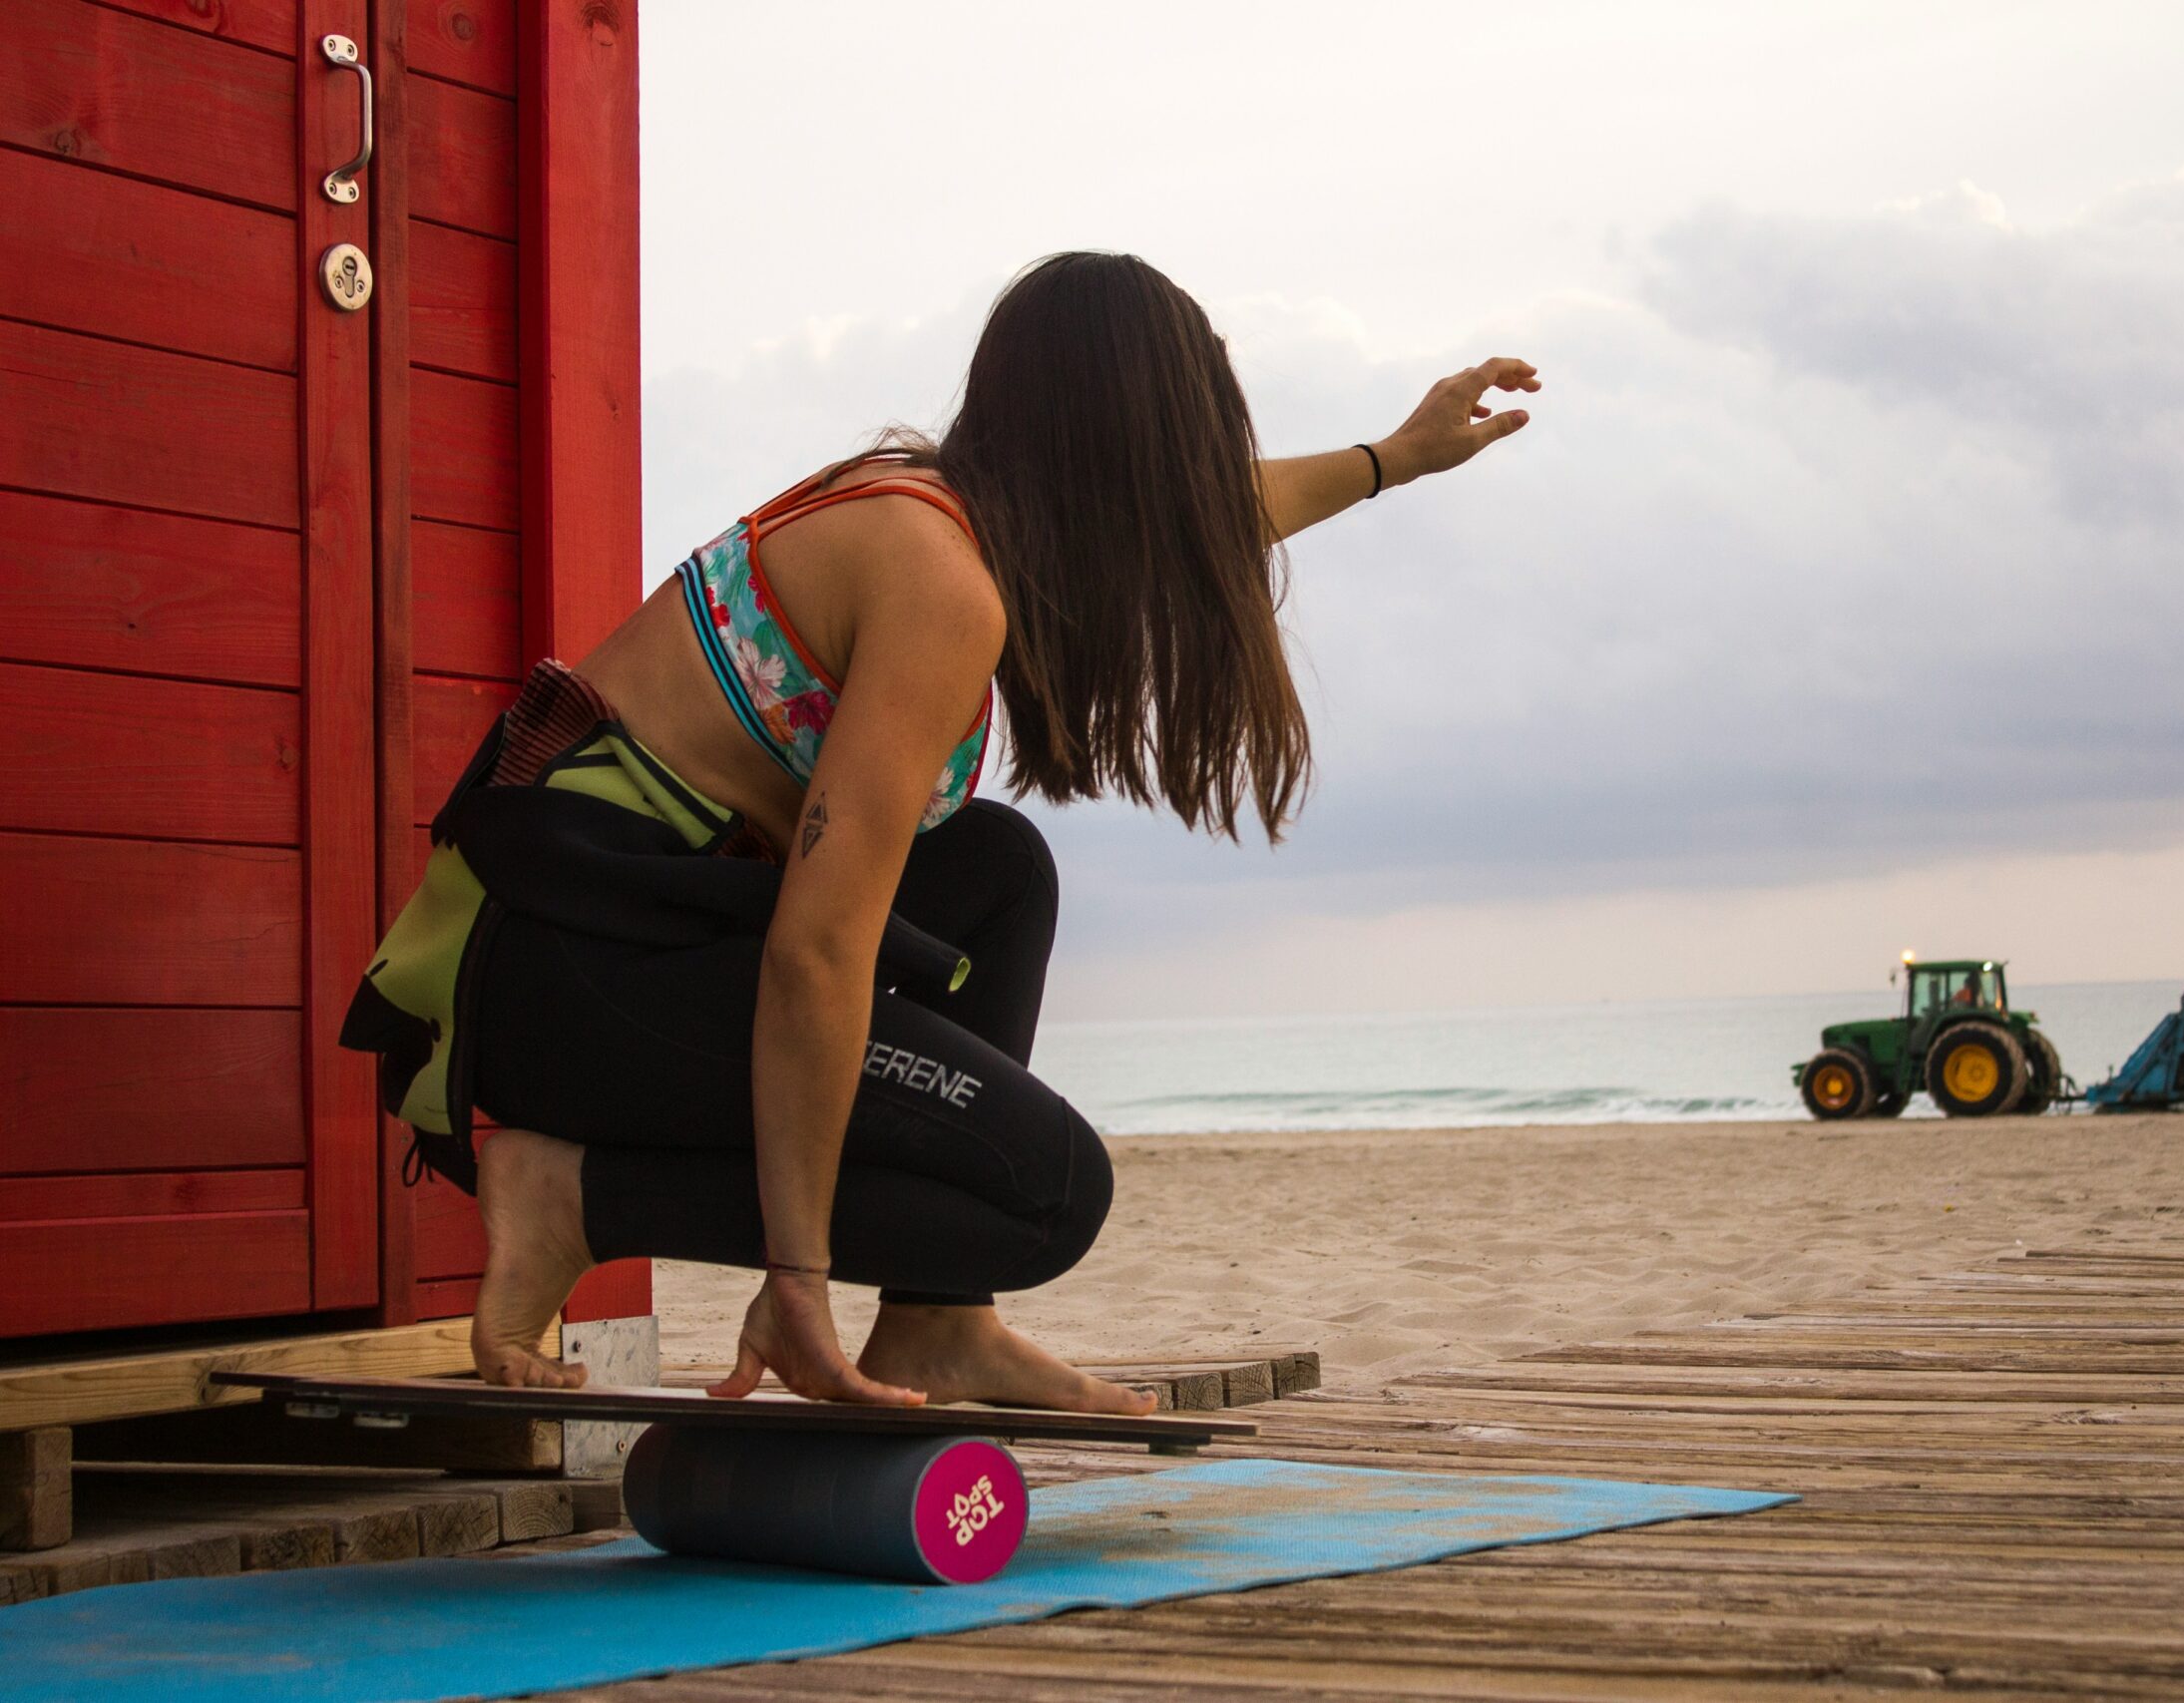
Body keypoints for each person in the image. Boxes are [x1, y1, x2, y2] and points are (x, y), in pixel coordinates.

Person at [342, 251, 1537, 1413]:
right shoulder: (937, 584)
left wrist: (1396, 459)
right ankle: (576, 1199)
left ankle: (937, 1320)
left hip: (593, 951)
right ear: (1127, 446)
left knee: (994, 870)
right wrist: (796, 1282)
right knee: (1044, 1194)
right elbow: (817, 951)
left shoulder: (927, 506)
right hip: (554, 981)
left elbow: (1199, 519)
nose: (1205, 478)